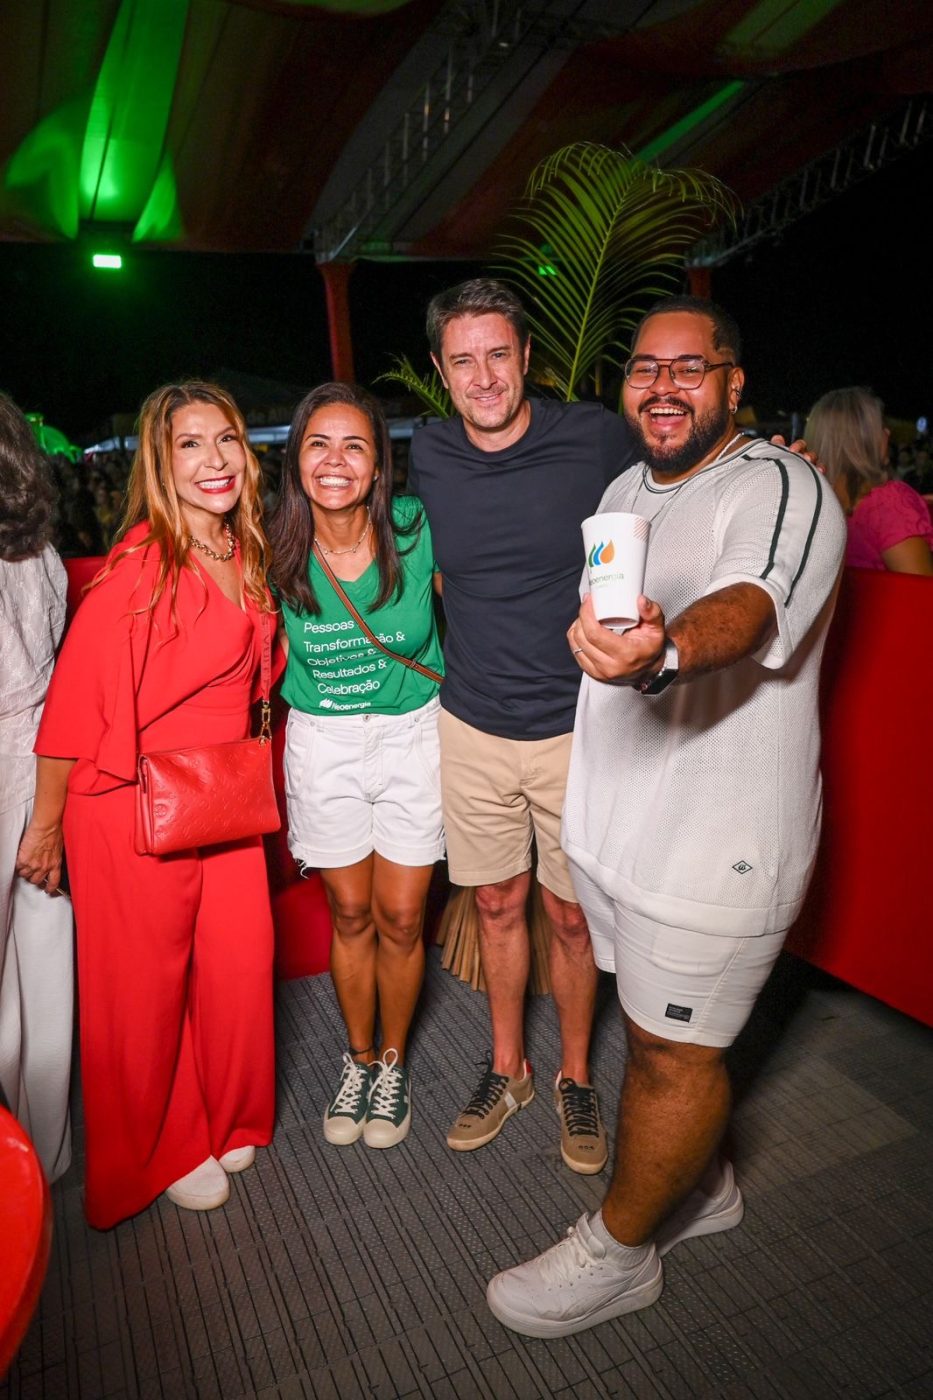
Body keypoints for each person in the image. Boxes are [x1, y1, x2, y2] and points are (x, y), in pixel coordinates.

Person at [486, 296, 847, 1336]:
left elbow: (751, 601)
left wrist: (667, 652)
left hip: (715, 849)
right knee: (654, 1037)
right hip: (623, 833)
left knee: (671, 1056)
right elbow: (613, 621)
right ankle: (705, 1185)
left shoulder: (784, 484)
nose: (663, 386)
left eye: (691, 368)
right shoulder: (623, 487)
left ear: (734, 382)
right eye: (645, 368)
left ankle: (621, 1251)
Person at [16, 381, 278, 1229]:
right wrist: (45, 829)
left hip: (221, 795)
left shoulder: (247, 549)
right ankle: (158, 1149)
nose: (213, 461)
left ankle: (227, 1111)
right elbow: (70, 712)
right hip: (126, 798)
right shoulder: (142, 566)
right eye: (190, 445)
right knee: (143, 989)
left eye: (226, 440)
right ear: (161, 467)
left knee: (236, 961)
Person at [407, 278, 639, 1174]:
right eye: (462, 360)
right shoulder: (426, 451)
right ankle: (507, 1068)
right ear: (438, 371)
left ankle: (575, 1076)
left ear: (527, 357)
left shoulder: (592, 436)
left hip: (576, 726)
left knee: (569, 918)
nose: (483, 376)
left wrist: (768, 456)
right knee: (496, 904)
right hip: (469, 726)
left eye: (497, 354)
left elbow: (677, 478)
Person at [268, 383, 444, 1150]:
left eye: (354, 446)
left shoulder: (413, 528)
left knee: (402, 916)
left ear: (378, 468)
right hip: (324, 743)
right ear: (297, 460)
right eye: (318, 444)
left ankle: (395, 1064)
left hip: (413, 735)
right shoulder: (268, 543)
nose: (335, 461)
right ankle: (359, 1058)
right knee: (349, 914)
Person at [0, 392, 73, 1184]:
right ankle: (43, 1163)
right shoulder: (37, 548)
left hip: (18, 760)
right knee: (45, 970)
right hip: (46, 763)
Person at [805, 387, 933, 574]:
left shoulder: (806, 499)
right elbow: (922, 594)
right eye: (881, 427)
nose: (887, 433)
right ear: (862, 439)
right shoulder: (890, 502)